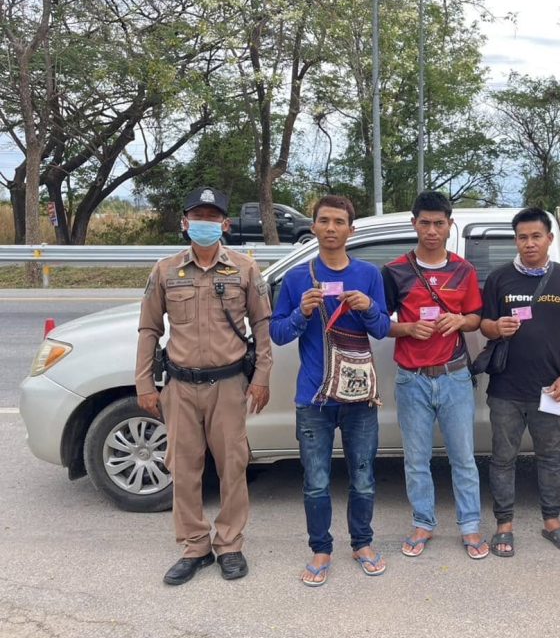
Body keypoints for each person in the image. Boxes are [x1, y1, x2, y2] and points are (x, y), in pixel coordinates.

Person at [135, 186, 273, 585]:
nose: (205, 224)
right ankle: (195, 546)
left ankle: (229, 544)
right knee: (183, 469)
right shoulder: (165, 271)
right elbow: (149, 328)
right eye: (198, 217)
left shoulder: (245, 269)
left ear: (225, 225)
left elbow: (262, 326)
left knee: (233, 466)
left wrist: (261, 378)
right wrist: (144, 382)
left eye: (213, 218)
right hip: (180, 386)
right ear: (185, 222)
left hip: (229, 385)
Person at [270, 195, 392, 584]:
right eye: (324, 221)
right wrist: (301, 312)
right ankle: (321, 550)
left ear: (351, 230)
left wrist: (368, 306)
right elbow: (277, 333)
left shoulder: (369, 274)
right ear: (314, 227)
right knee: (317, 481)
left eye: (339, 222)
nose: (331, 228)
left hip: (359, 396)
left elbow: (382, 329)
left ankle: (362, 544)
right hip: (313, 397)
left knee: (363, 476)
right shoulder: (297, 278)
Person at [382, 191, 489, 560]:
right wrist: (408, 329)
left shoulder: (464, 270)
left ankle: (470, 525)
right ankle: (422, 523)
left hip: (454, 376)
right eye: (425, 223)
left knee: (464, 458)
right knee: (416, 460)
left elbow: (475, 317)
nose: (431, 230)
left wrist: (460, 320)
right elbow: (380, 323)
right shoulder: (395, 271)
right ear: (414, 224)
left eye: (438, 223)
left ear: (449, 225)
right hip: (411, 378)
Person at [480, 207, 560, 556]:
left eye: (536, 236)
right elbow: (484, 325)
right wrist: (496, 327)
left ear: (549, 239)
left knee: (551, 456)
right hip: (506, 388)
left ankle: (552, 520)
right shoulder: (499, 278)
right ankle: (503, 525)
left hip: (549, 388)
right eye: (522, 237)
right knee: (503, 458)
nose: (529, 243)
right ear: (515, 241)